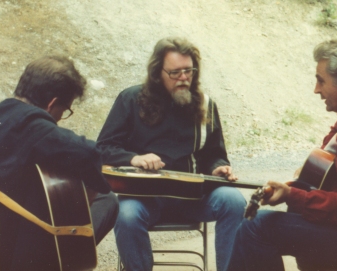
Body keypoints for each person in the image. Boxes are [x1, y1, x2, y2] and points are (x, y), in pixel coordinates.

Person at [227, 39, 337, 271]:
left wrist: (293, 196)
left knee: (258, 228)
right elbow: (325, 172)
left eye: (321, 80)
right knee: (264, 224)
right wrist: (297, 186)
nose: (316, 89)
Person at [0, 56, 118, 271]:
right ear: (52, 104)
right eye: (64, 111)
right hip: (7, 257)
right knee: (107, 200)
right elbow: (89, 153)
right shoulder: (34, 127)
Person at [97, 37, 246, 271]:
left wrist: (218, 167)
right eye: (175, 73)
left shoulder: (206, 105)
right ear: (158, 73)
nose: (184, 78)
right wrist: (134, 158)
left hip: (193, 198)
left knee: (234, 200)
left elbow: (216, 154)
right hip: (144, 198)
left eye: (189, 71)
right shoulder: (131, 99)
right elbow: (103, 148)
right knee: (125, 214)